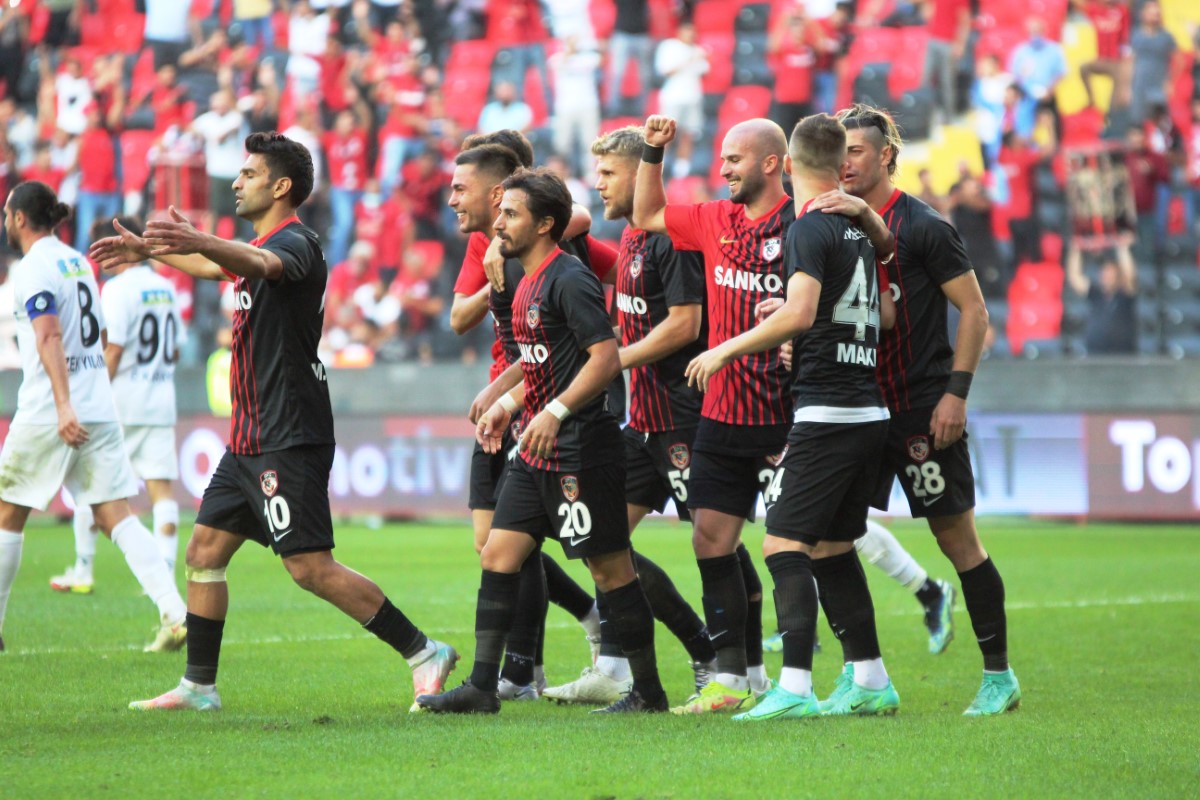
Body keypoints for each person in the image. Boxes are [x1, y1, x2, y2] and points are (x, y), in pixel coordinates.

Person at [90, 132, 457, 711]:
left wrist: (200, 238)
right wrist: (152, 250)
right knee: (204, 551)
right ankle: (199, 687)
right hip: (249, 437)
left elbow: (256, 262)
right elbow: (222, 268)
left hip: (289, 432)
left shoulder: (297, 244)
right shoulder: (254, 249)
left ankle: (423, 652)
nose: (236, 181)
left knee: (309, 567)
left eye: (249, 173)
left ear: (281, 186)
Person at [418, 168, 667, 714]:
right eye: (500, 212)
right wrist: (501, 392)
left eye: (510, 214)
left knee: (610, 569)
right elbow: (539, 358)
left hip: (581, 446)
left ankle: (649, 692)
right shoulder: (523, 278)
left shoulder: (568, 277)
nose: (499, 223)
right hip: (536, 448)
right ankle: (484, 688)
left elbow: (604, 358)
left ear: (546, 224)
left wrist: (553, 410)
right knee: (499, 555)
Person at [686, 112, 900, 719]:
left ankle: (795, 689)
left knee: (783, 543)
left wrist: (725, 346)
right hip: (867, 406)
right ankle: (870, 679)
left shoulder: (809, 226)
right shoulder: (857, 227)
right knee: (833, 546)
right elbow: (884, 314)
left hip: (827, 409)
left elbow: (802, 314)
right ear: (839, 164)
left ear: (792, 162)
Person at [835, 103, 1020, 715]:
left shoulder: (923, 226)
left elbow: (975, 312)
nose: (844, 162)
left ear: (886, 154)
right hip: (855, 405)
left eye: (855, 151)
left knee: (955, 538)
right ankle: (863, 677)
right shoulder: (833, 223)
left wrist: (955, 394)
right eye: (838, 152)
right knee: (824, 534)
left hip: (919, 405)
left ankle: (999, 676)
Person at [543, 126, 718, 706]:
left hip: (684, 418)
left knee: (717, 543)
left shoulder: (670, 241)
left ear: (641, 173)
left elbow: (685, 324)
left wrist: (615, 358)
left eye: (609, 174)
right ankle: (649, 662)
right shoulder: (631, 241)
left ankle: (737, 667)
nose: (599, 186)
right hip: (641, 422)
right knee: (602, 544)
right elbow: (571, 221)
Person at [632, 115, 798, 713]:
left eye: (735, 159)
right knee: (710, 539)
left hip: (787, 412)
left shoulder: (801, 226)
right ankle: (731, 680)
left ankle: (812, 679)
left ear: (772, 163)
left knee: (802, 549)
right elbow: (647, 213)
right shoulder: (713, 219)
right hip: (723, 412)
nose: (723, 168)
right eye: (722, 158)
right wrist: (653, 151)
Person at [446, 135, 603, 699]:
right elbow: (471, 323)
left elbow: (601, 342)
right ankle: (503, 677)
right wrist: (502, 397)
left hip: (561, 418)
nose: (452, 199)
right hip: (518, 406)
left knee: (604, 559)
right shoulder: (495, 249)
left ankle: (532, 667)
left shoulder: (547, 259)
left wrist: (539, 405)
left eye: (461, 188)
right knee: (500, 548)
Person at [0, 182, 187, 654]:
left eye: (6, 213)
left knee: (7, 513)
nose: (4, 221)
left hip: (50, 408)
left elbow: (49, 337)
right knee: (115, 514)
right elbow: (99, 333)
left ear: (21, 218)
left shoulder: (32, 268)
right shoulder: (77, 261)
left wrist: (63, 404)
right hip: (100, 405)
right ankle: (174, 610)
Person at [51, 216, 185, 595]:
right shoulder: (167, 287)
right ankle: (164, 574)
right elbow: (174, 348)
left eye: (100, 251)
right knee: (162, 493)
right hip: (160, 401)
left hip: (121, 404)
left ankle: (83, 569)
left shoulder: (115, 290)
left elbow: (114, 349)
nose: (99, 261)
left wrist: (91, 395)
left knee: (91, 484)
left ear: (113, 246)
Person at [1065, 236, 1137, 355]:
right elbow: (1075, 278)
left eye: (1111, 273)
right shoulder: (1095, 293)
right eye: (1105, 273)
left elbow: (1130, 276)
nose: (1107, 277)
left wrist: (1123, 250)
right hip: (1096, 352)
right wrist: (1076, 250)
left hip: (1123, 355)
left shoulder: (1124, 296)